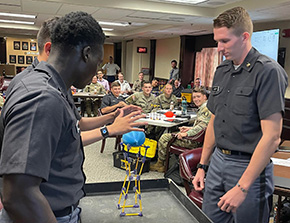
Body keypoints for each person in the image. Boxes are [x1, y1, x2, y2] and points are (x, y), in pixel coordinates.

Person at [0, 11, 146, 223]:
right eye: (98, 62)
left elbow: (73, 127)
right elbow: (18, 195)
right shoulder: (42, 98)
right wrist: (109, 130)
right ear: (86, 53)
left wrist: (112, 117)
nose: (97, 69)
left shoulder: (54, 84)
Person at [192, 7, 288, 223]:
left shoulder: (268, 71)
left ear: (244, 37)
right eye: (217, 41)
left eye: (225, 41)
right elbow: (214, 120)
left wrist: (243, 187)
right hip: (218, 161)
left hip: (248, 165)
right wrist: (202, 166)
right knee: (208, 219)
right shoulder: (222, 70)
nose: (219, 48)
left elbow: (272, 136)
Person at [150, 88, 211, 172]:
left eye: (198, 97)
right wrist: (189, 128)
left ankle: (160, 164)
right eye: (194, 97)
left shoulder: (206, 108)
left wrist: (186, 134)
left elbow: (201, 127)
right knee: (173, 132)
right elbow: (203, 126)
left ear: (205, 97)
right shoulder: (206, 106)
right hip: (200, 138)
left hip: (195, 142)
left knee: (164, 138)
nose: (196, 99)